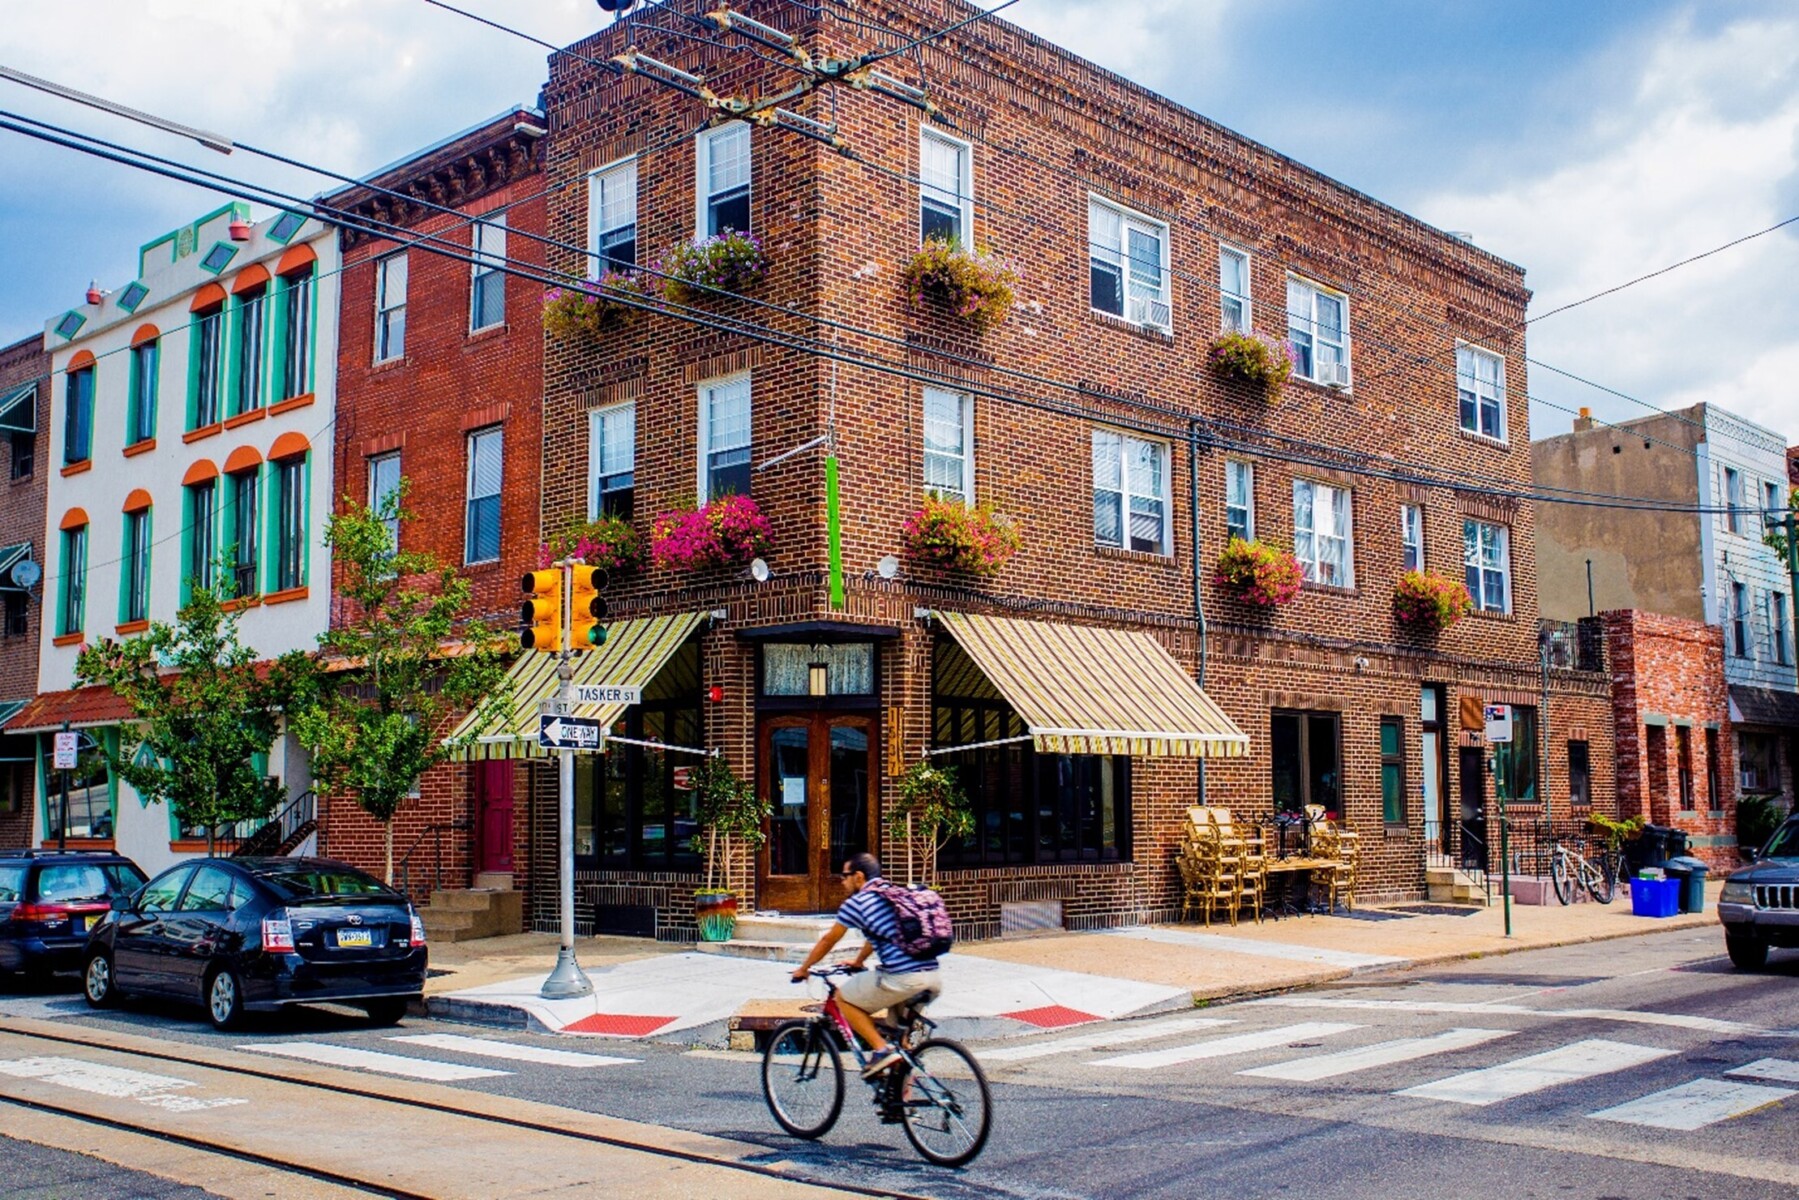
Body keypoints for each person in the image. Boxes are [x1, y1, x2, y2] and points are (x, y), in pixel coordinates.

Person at [791, 852, 942, 1078]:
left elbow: (829, 939)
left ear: (858, 877)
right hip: (931, 977)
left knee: (843, 999)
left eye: (844, 876)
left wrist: (803, 969)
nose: (841, 881)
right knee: (900, 1044)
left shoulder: (858, 902)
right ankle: (904, 1110)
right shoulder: (895, 895)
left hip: (902, 977)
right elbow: (878, 936)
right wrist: (859, 961)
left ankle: (880, 1051)